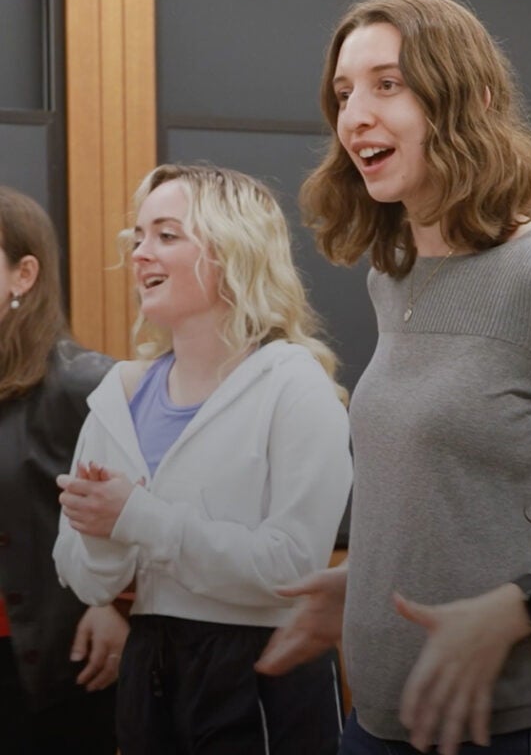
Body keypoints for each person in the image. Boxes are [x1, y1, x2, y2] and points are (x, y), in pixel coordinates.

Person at [256, 0, 531, 755]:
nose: (355, 116)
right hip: (378, 722)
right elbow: (454, 489)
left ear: (473, 100)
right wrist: (366, 580)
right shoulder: (392, 276)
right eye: (344, 93)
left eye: (387, 84)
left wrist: (526, 609)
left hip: (508, 729)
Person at [53, 164, 353, 754]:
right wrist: (104, 536)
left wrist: (137, 518)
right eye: (139, 236)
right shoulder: (118, 396)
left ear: (235, 252)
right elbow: (84, 578)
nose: (141, 253)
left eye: (167, 235)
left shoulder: (295, 386)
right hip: (149, 667)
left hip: (263, 671)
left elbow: (291, 569)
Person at [0, 186, 125, 754]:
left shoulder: (86, 383)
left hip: (47, 672)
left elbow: (152, 509)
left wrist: (117, 604)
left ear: (23, 275)